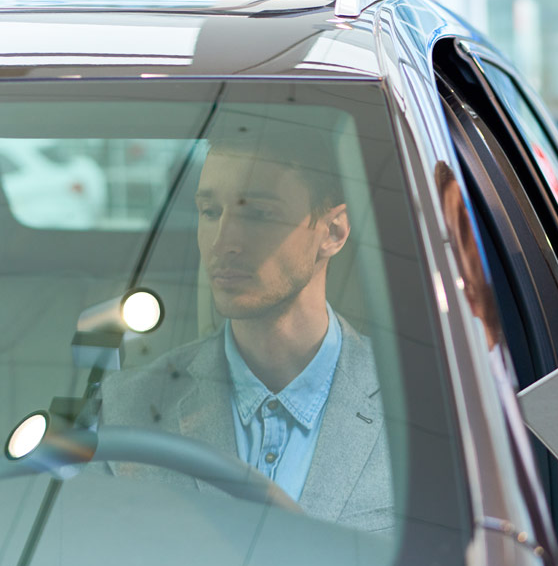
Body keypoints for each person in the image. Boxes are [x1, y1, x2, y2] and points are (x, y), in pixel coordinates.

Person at [97, 127, 391, 530]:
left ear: (333, 232)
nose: (222, 243)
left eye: (258, 214)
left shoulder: (419, 408)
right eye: (210, 212)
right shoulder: (126, 408)